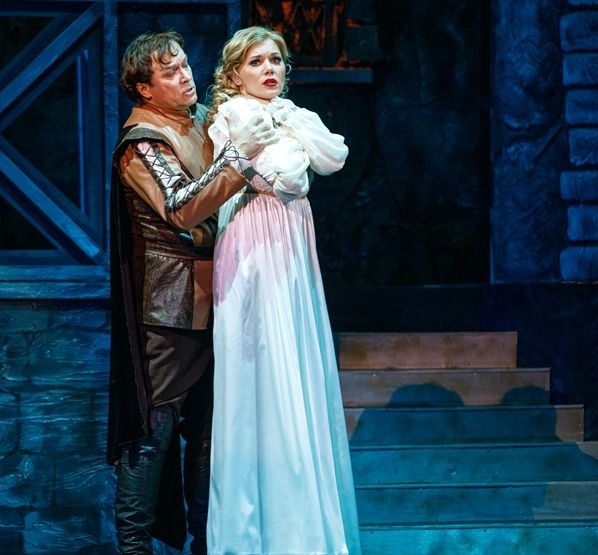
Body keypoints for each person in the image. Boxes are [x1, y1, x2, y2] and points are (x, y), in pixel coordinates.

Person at [106, 30, 275, 555]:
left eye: (184, 65)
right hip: (169, 310)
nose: (185, 76)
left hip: (220, 298)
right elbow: (181, 206)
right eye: (170, 72)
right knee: (153, 432)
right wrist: (239, 160)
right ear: (144, 88)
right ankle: (135, 548)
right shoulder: (143, 144)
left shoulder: (202, 121)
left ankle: (207, 543)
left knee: (209, 434)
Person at [205, 26, 362, 554]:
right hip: (252, 242)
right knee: (260, 365)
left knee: (297, 360)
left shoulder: (293, 114)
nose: (268, 69)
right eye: (255, 62)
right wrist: (292, 148)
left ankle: (305, 527)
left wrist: (289, 136)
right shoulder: (232, 114)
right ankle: (257, 536)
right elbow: (277, 175)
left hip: (292, 243)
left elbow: (334, 154)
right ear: (234, 74)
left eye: (275, 60)